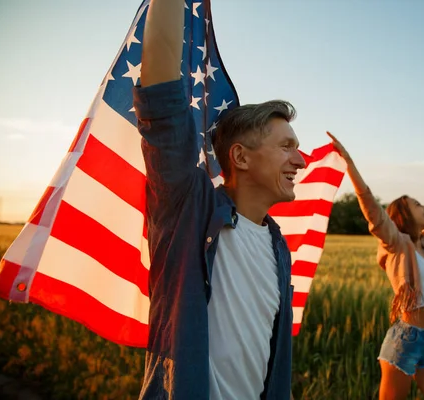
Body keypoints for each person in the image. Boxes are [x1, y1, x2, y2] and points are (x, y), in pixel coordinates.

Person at [133, 0, 306, 398]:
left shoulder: (279, 247)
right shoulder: (188, 209)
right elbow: (161, 99)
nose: (300, 160)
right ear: (241, 157)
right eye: (286, 147)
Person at [327, 132, 424, 400]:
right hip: (405, 342)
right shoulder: (397, 243)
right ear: (404, 214)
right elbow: (371, 207)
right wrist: (349, 163)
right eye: (418, 205)